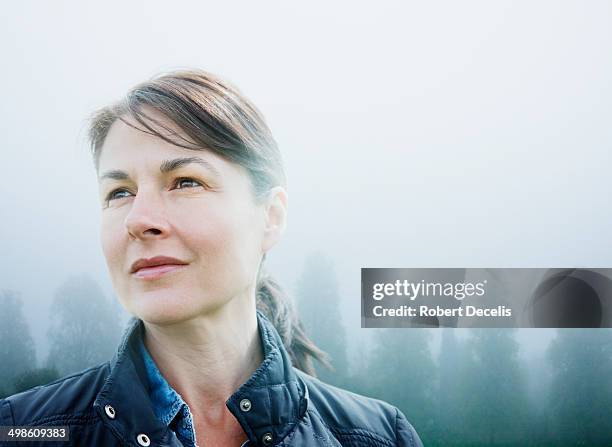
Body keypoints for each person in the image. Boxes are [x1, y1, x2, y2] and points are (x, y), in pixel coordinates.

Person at [0, 69, 424, 447]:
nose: (138, 219)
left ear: (270, 217)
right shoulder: (22, 430)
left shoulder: (380, 436)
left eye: (185, 181)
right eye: (119, 192)